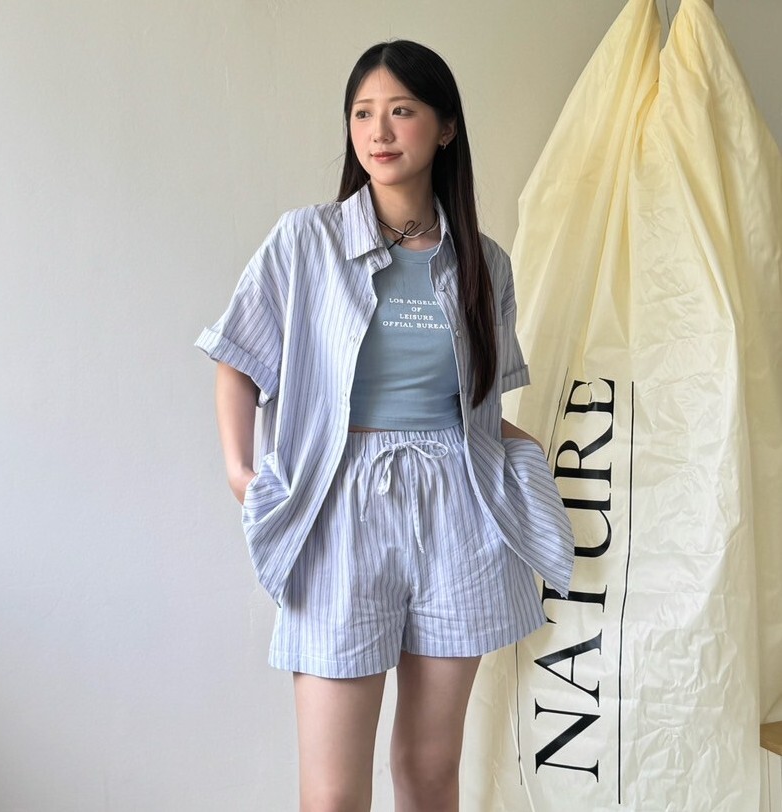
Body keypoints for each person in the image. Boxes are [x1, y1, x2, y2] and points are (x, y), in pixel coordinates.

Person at [195, 39, 574, 812]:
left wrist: (525, 467)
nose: (380, 131)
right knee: (333, 794)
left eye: (402, 111)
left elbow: (479, 410)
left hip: (458, 515)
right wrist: (241, 474)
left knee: (430, 774)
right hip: (340, 509)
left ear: (446, 127)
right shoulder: (306, 242)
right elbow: (237, 357)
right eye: (363, 113)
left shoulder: (485, 263)